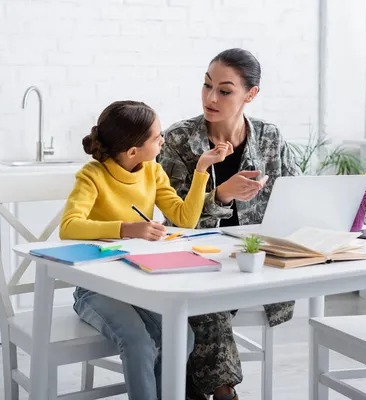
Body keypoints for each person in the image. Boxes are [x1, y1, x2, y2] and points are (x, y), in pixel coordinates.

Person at [59, 100, 233, 400]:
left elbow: (184, 218)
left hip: (138, 286)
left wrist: (202, 168)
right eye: (157, 137)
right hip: (96, 289)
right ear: (132, 151)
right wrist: (127, 228)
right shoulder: (92, 175)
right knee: (138, 342)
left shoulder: (152, 170)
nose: (162, 140)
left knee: (182, 336)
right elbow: (69, 226)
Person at [157, 48, 301, 400]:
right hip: (194, 258)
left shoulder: (269, 137)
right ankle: (224, 393)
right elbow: (174, 219)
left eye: (224, 90)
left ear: (250, 95)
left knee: (203, 309)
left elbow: (298, 192)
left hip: (256, 262)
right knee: (207, 300)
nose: (210, 98)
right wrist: (219, 196)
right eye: (207, 86)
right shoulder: (178, 140)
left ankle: (186, 384)